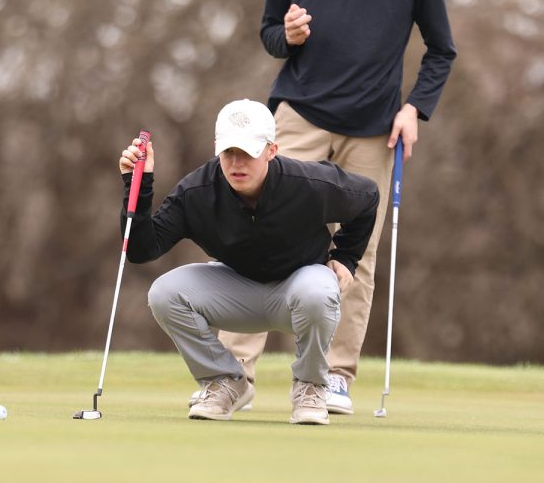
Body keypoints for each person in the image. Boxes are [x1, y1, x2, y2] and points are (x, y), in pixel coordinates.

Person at [216, 0, 457, 414]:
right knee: (261, 230)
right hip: (299, 113)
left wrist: (415, 109)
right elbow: (270, 34)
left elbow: (441, 49)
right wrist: (287, 34)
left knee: (356, 254)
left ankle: (333, 377)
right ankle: (232, 375)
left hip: (374, 125)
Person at [121, 99, 379, 424]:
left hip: (298, 292)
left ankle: (310, 386)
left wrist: (346, 256)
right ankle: (226, 381)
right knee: (164, 293)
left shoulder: (308, 184)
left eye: (247, 152)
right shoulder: (197, 191)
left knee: (318, 291)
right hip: (236, 292)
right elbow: (143, 250)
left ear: (271, 150)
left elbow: (368, 196)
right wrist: (138, 184)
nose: (236, 163)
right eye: (229, 152)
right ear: (217, 150)